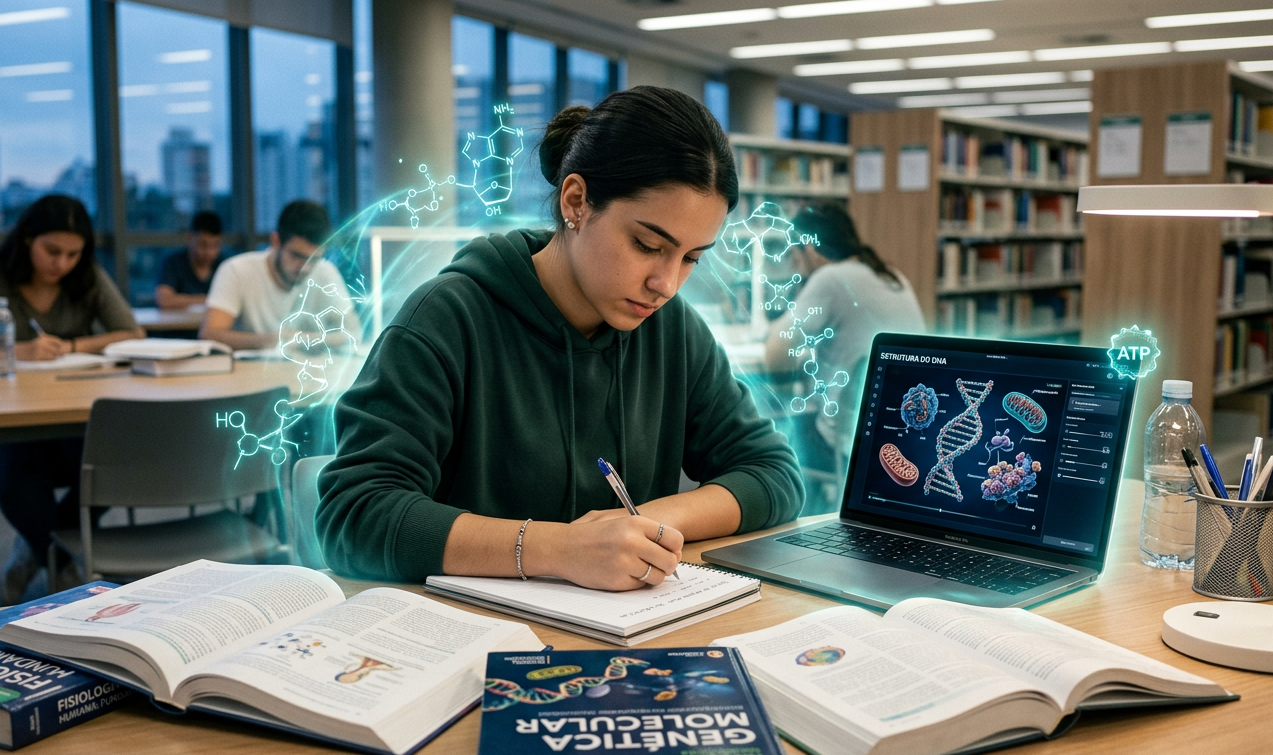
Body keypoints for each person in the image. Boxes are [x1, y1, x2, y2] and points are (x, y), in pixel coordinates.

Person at [317, 86, 803, 591]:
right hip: (471, 641)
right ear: (576, 202)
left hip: (624, 639)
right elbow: (354, 514)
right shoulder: (447, 318)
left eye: (690, 258)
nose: (666, 283)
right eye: (647, 245)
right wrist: (556, 549)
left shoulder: (672, 330)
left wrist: (644, 527)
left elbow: (774, 474)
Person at [0, 194, 145, 602]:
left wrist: (70, 346)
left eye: (72, 253)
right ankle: (61, 564)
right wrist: (15, 351)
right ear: (27, 238)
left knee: (117, 460)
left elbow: (131, 334)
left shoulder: (85, 276)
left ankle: (36, 554)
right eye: (52, 251)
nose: (61, 264)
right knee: (20, 467)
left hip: (64, 419)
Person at [763, 205, 926, 491]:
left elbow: (774, 357)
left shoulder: (830, 279)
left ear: (810, 249)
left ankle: (800, 520)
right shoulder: (892, 275)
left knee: (767, 434)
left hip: (848, 445)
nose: (792, 263)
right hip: (903, 435)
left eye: (794, 253)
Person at [200, 200, 357, 351]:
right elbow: (210, 334)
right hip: (251, 373)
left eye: (314, 259)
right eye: (297, 256)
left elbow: (354, 332)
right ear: (275, 241)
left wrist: (304, 339)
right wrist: (275, 339)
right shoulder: (236, 270)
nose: (305, 267)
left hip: (307, 372)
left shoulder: (325, 271)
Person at [154, 210, 226, 309]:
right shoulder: (173, 262)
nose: (209, 252)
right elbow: (164, 300)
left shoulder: (225, 265)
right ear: (190, 238)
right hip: (179, 323)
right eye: (203, 245)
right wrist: (210, 299)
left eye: (215, 245)